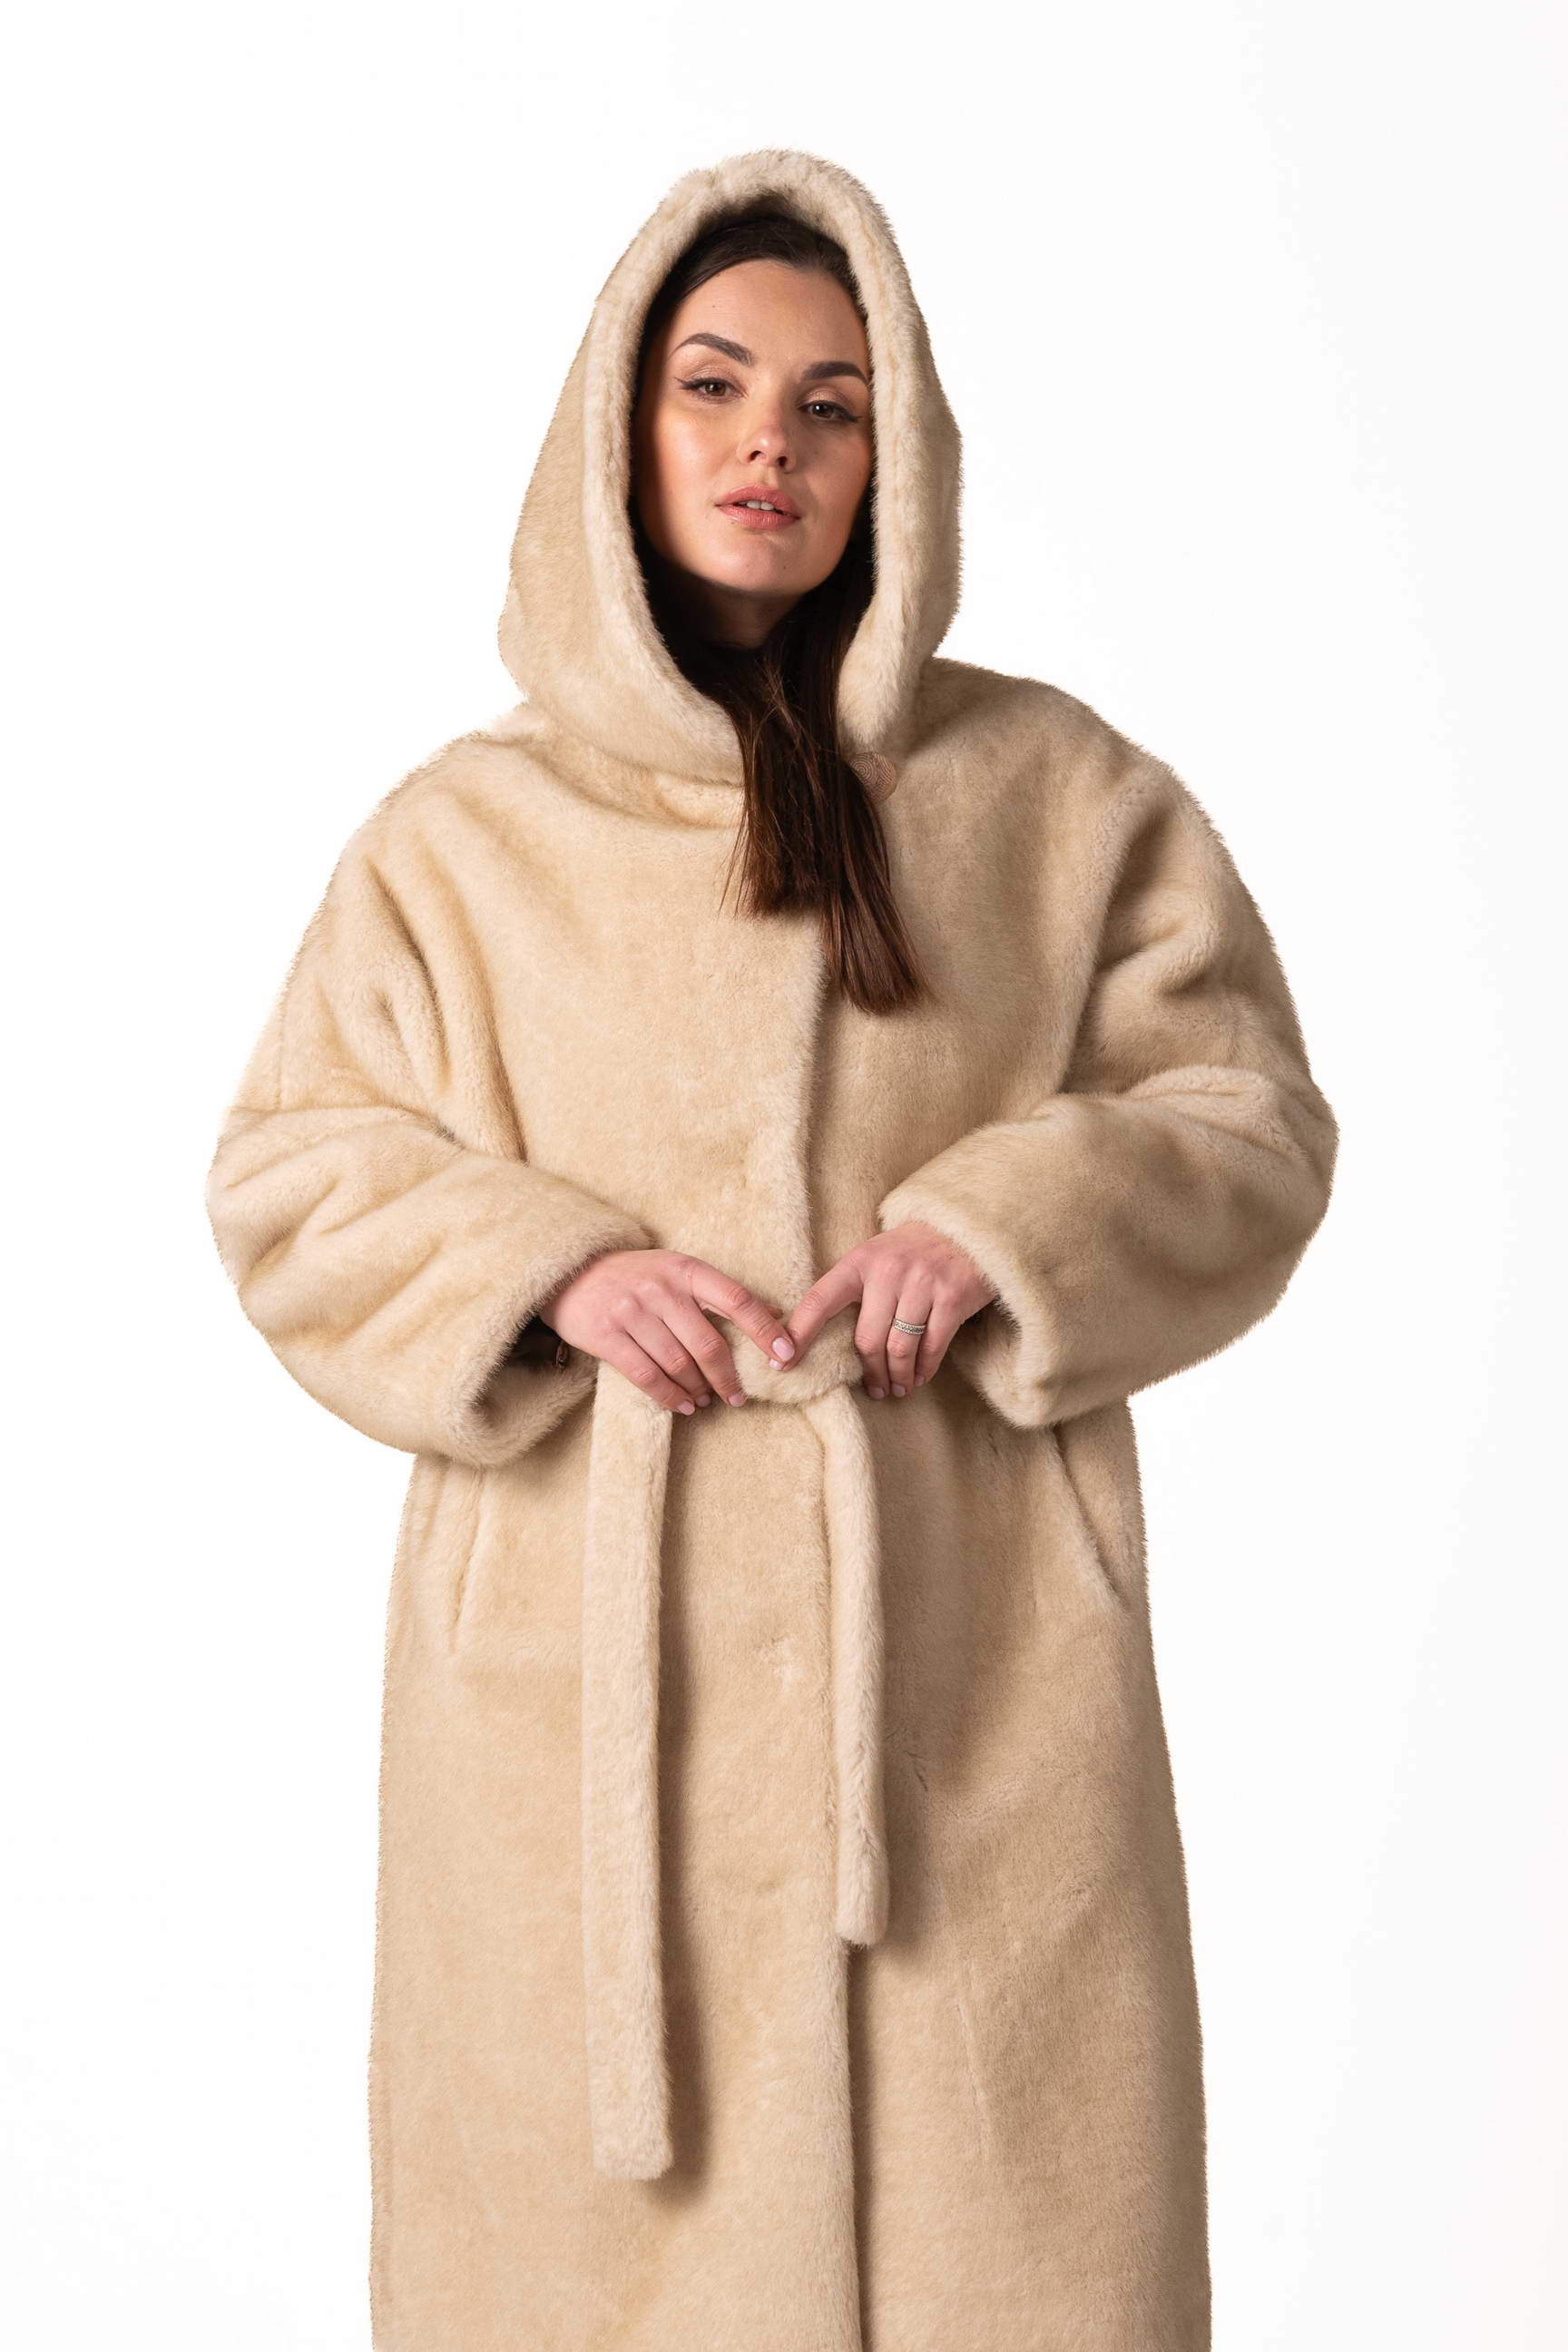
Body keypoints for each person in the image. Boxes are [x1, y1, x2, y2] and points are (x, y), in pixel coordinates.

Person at [205, 146, 1338, 2352]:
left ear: (897, 454)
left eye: (833, 405)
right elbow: (293, 1167)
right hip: (576, 1718)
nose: (770, 448)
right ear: (618, 434)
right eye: (714, 388)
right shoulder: (461, 843)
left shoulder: (1053, 797)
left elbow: (1247, 1117)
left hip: (976, 1684)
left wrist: (1001, 1227)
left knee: (1020, 2247)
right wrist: (545, 1268)